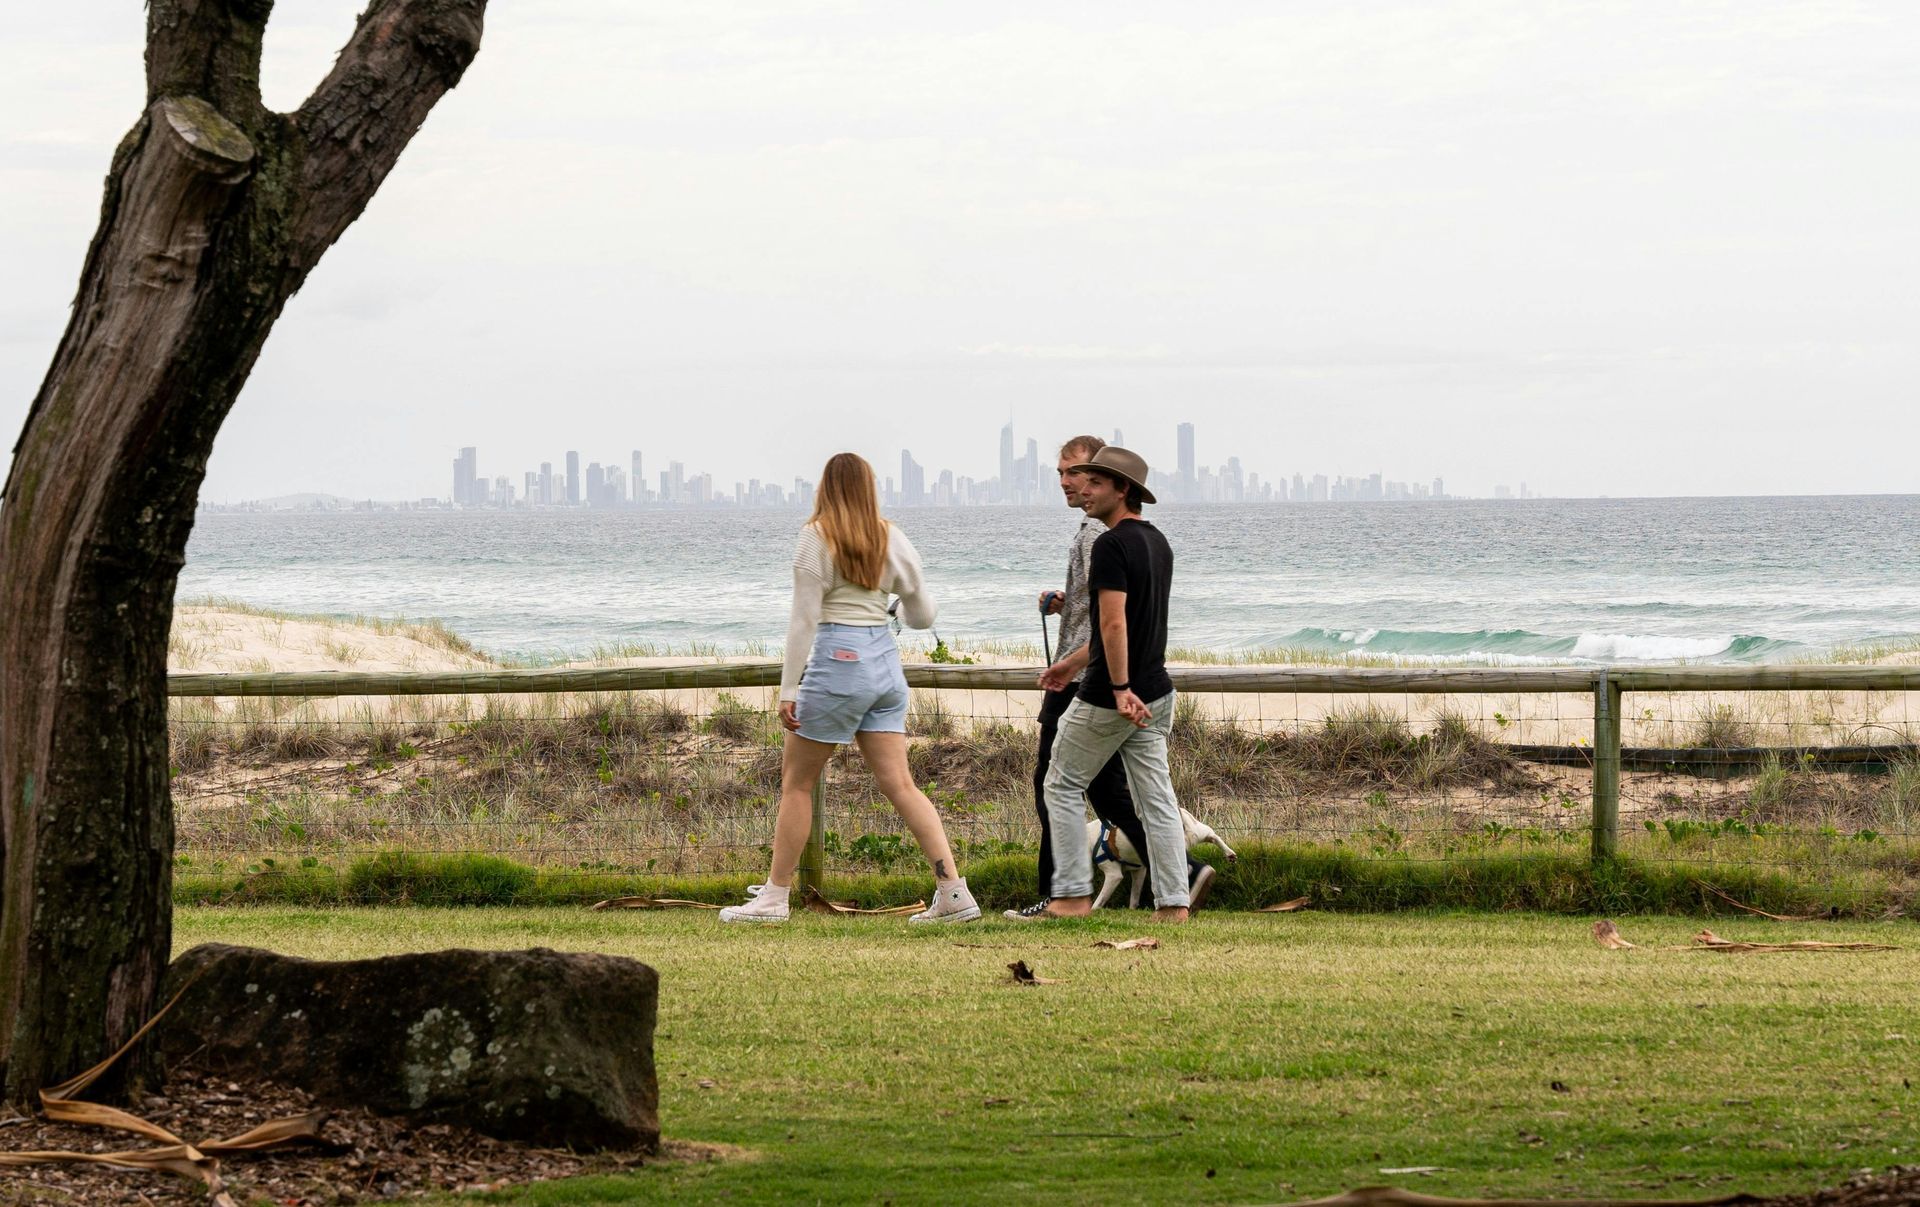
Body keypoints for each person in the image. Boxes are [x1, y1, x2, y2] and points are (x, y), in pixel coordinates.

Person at [720, 453, 980, 925]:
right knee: (901, 784)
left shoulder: (815, 536)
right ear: (870, 488)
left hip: (838, 661)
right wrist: (894, 606)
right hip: (884, 663)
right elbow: (922, 616)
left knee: (797, 784)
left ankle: (774, 898)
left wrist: (788, 688)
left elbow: (804, 619)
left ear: (825, 487)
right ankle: (955, 893)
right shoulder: (892, 536)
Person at [1004, 436, 1211, 920]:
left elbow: (1113, 623)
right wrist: (1074, 665)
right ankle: (1174, 903)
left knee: (1059, 783)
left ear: (1122, 489)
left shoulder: (1112, 543)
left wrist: (1117, 688)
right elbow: (1139, 621)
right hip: (1158, 690)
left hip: (1111, 693)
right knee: (1155, 798)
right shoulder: (1156, 540)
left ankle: (1072, 896)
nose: (1084, 488)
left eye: (1096, 482)